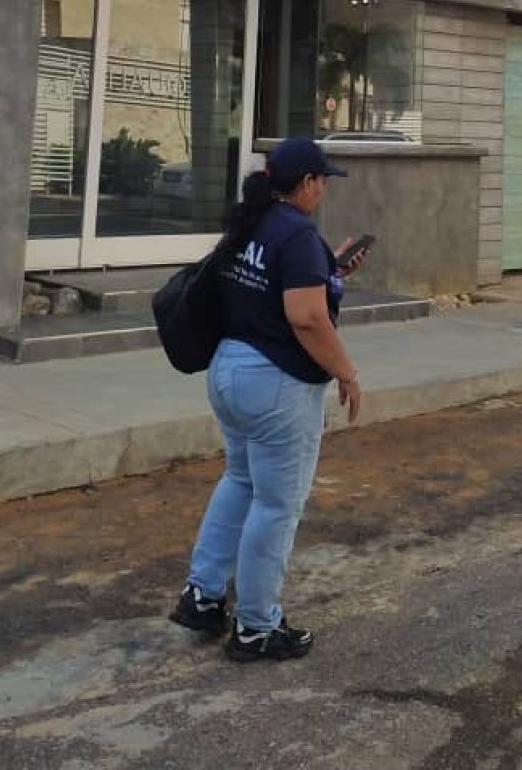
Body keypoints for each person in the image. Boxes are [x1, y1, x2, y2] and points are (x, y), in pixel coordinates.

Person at [170, 137, 365, 663]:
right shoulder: (298, 233)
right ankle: (257, 626)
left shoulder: (251, 222)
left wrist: (331, 273)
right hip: (276, 381)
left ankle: (202, 596)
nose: (324, 190)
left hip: (229, 370)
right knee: (276, 504)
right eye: (322, 181)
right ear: (305, 184)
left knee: (240, 480)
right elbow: (305, 316)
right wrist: (346, 371)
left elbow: (271, 291)